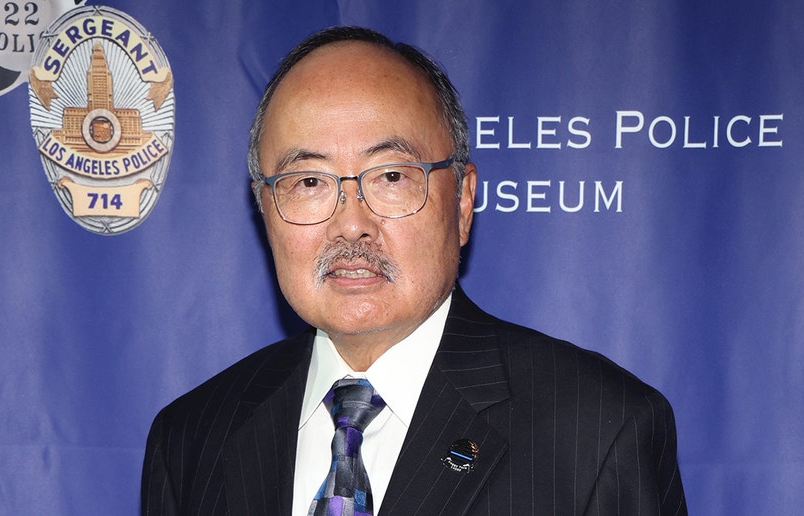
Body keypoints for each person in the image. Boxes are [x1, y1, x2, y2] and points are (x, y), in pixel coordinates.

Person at [141, 26, 687, 515]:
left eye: (391, 177)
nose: (351, 225)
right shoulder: (192, 438)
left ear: (463, 200)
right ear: (264, 208)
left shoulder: (597, 432)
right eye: (308, 182)